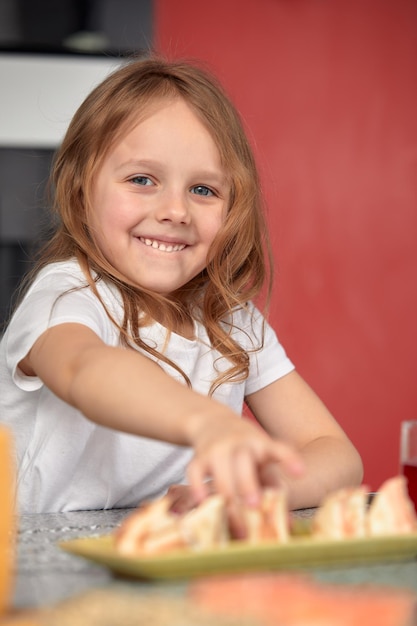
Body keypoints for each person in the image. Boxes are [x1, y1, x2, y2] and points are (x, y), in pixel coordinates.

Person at [0, 55, 363, 517]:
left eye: (204, 190)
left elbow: (332, 451)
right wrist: (205, 422)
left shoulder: (232, 322)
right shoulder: (68, 294)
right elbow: (85, 371)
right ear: (79, 191)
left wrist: (254, 494)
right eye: (142, 179)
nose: (176, 210)